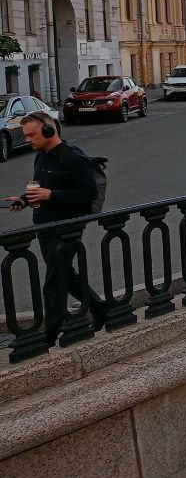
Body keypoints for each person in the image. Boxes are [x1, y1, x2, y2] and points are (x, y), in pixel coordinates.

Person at [4, 112, 103, 345]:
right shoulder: (40, 157)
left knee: (52, 282)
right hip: (45, 227)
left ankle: (49, 335)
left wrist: (52, 195)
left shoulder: (72, 157)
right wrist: (23, 200)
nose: (28, 139)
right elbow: (39, 188)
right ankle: (102, 309)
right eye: (25, 135)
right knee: (66, 276)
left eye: (32, 134)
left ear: (49, 130)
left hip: (66, 229)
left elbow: (89, 193)